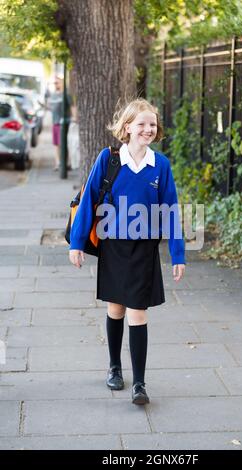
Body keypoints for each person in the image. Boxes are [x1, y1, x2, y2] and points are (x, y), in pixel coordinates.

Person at [69, 98, 186, 405]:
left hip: (144, 250)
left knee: (138, 312)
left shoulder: (160, 165)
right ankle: (115, 367)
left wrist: (178, 253)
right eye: (142, 124)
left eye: (153, 124)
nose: (148, 129)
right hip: (113, 246)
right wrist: (76, 243)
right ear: (127, 127)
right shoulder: (109, 160)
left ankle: (140, 384)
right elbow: (88, 201)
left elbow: (170, 210)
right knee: (116, 309)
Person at [47, 76, 72, 171]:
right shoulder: (53, 95)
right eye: (55, 83)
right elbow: (50, 107)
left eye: (57, 83)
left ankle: (66, 162)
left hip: (64, 123)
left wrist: (74, 118)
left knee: (64, 143)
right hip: (55, 122)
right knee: (56, 144)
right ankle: (58, 163)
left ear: (62, 83)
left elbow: (72, 107)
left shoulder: (66, 95)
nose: (56, 85)